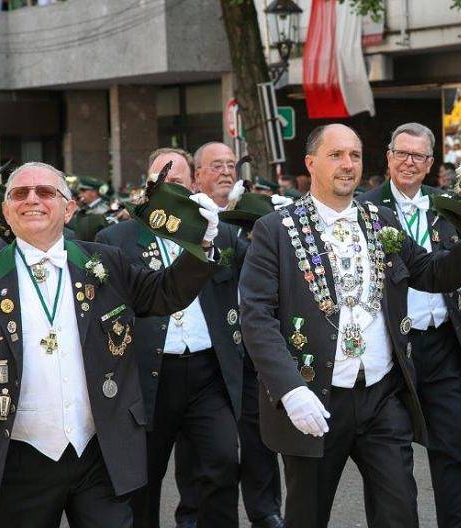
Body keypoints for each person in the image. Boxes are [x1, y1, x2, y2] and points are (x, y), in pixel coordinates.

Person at [239, 123, 461, 528]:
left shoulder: (381, 219)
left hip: (382, 396)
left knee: (399, 513)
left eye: (355, 156)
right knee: (307, 514)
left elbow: (429, 272)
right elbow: (256, 317)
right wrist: (290, 390)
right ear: (310, 163)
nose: (348, 164)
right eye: (336, 155)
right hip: (316, 398)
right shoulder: (276, 229)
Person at [0, 161, 220, 527]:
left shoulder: (105, 261)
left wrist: (200, 244)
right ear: (6, 210)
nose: (32, 200)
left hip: (99, 450)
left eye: (45, 192)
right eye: (19, 194)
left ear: (69, 207)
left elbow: (164, 293)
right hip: (19, 456)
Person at [95, 148, 249, 528]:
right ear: (148, 186)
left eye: (177, 180)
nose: (168, 187)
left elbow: (259, 276)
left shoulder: (220, 234)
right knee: (144, 476)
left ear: (194, 184)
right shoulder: (117, 237)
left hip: (207, 372)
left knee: (223, 461)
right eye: (159, 180)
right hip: (149, 373)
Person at [360, 122, 461, 528]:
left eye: (419, 156)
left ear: (430, 164)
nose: (409, 162)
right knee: (390, 459)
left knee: (456, 450)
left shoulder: (448, 205)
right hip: (390, 349)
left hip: (442, 343)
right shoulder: (365, 208)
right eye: (402, 153)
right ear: (389, 157)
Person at [173, 142, 285, 528]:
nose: (225, 171)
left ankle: (265, 510)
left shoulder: (254, 215)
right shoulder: (189, 221)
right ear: (196, 175)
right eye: (215, 165)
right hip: (212, 354)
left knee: (259, 436)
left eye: (230, 165)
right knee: (201, 444)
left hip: (253, 349)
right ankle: (192, 513)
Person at [194, 142, 238, 209]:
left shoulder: (252, 212)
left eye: (231, 166)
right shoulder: (181, 214)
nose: (226, 172)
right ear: (198, 176)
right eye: (217, 166)